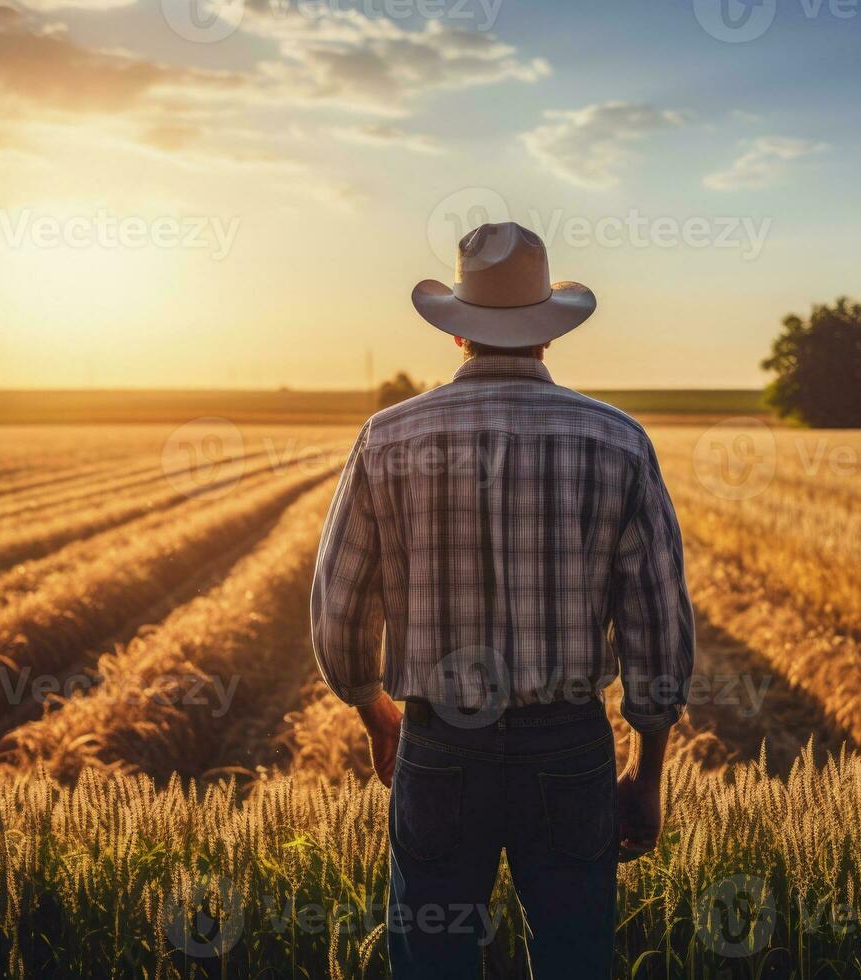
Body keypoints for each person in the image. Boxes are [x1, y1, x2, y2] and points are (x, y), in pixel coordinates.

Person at [310, 221, 695, 978]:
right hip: (569, 750)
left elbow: (341, 610)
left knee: (433, 961)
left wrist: (373, 712)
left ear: (458, 335)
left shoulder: (388, 438)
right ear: (548, 335)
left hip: (439, 743)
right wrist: (648, 768)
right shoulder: (615, 440)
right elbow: (657, 621)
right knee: (574, 959)